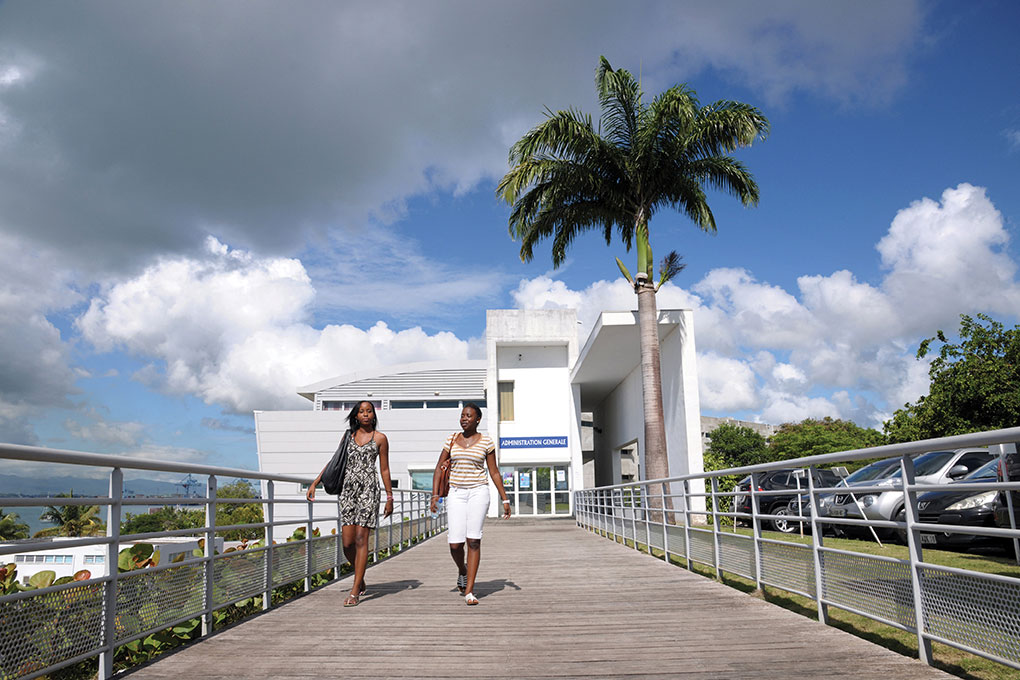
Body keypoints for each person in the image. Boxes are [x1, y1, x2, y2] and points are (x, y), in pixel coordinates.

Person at [307, 401, 393, 607]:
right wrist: (315, 482)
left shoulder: (380, 438)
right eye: (361, 411)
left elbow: (384, 470)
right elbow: (335, 461)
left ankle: (355, 591)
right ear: (356, 416)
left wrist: (389, 497)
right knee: (347, 543)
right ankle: (360, 576)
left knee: (362, 539)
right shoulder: (348, 437)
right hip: (347, 492)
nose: (365, 414)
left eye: (369, 411)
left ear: (373, 415)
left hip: (368, 491)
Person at [430, 403, 511, 605]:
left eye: (469, 416)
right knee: (455, 544)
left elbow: (494, 472)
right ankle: (462, 570)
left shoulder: (486, 442)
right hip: (456, 493)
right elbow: (439, 469)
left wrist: (505, 498)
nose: (464, 418)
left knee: (473, 540)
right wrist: (435, 496)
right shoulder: (451, 439)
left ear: (478, 420)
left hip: (478, 492)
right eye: (462, 415)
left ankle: (469, 591)